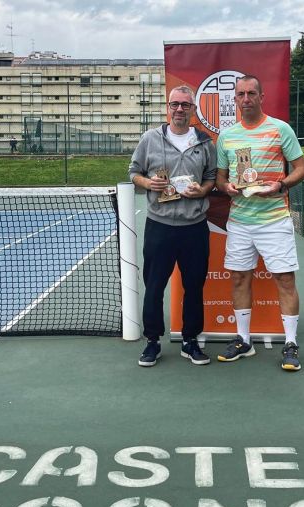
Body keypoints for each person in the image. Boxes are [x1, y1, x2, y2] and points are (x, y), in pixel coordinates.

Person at [215, 75, 304, 371]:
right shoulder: (227, 137)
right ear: (235, 99)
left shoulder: (281, 129)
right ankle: (244, 341)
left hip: (273, 220)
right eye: (240, 94)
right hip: (240, 221)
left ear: (261, 96)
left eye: (251, 93)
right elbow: (220, 177)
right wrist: (226, 187)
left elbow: (302, 168)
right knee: (240, 278)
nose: (246, 99)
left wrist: (281, 185)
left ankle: (291, 344)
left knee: (285, 280)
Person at [129, 85, 217, 367]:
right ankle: (152, 341)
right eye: (175, 104)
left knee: (194, 286)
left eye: (185, 105)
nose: (179, 109)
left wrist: (202, 191)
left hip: (195, 227)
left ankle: (190, 341)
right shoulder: (149, 139)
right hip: (159, 226)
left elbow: (212, 177)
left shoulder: (205, 142)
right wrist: (148, 183)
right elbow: (134, 173)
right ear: (167, 107)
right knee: (154, 286)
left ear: (193, 110)